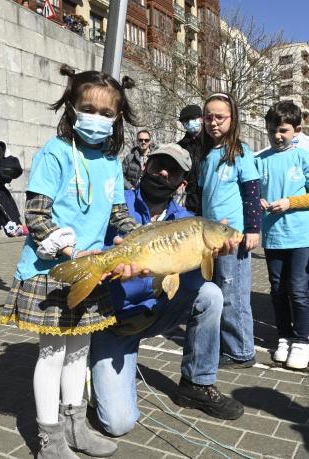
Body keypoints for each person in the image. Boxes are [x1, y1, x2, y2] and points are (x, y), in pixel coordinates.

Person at [0, 65, 141, 458]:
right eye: (88, 108)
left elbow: (119, 215)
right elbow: (37, 216)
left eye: (107, 113)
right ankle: (50, 439)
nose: (97, 118)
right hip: (54, 271)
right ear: (72, 108)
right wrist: (71, 253)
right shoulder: (54, 153)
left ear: (118, 118)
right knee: (52, 354)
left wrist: (138, 237)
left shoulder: (112, 161)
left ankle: (76, 425)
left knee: (80, 351)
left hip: (92, 272)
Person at [90, 143, 243, 437]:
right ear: (146, 166)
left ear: (181, 182)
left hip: (158, 310)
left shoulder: (188, 221)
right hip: (114, 320)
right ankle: (90, 366)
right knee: (118, 423)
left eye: (172, 171)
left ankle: (196, 383)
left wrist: (213, 255)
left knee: (210, 294)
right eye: (158, 164)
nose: (162, 173)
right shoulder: (116, 202)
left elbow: (194, 280)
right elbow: (91, 241)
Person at [255, 101, 309, 369]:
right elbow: (250, 192)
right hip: (273, 236)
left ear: (296, 130)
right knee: (277, 288)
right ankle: (284, 337)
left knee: (297, 288)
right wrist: (258, 200)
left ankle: (302, 341)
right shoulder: (259, 160)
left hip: (301, 235)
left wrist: (289, 202)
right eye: (272, 129)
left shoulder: (303, 157)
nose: (277, 135)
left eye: (283, 130)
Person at [199, 92, 262, 368]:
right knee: (217, 292)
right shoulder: (206, 154)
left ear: (232, 119)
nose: (214, 123)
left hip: (233, 238)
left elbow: (251, 193)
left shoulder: (241, 152)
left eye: (220, 117)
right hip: (209, 238)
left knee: (233, 295)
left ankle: (241, 351)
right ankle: (226, 344)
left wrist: (253, 229)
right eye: (209, 117)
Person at [178, 104, 204, 214]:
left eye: (192, 119)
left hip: (211, 200)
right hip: (190, 203)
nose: (189, 122)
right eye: (185, 120)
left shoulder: (212, 143)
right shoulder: (180, 147)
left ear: (201, 119)